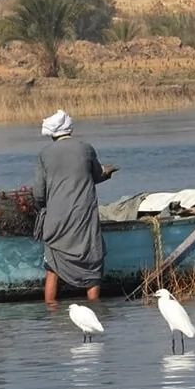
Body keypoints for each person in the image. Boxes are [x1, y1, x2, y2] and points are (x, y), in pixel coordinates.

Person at [32, 109, 119, 304]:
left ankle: (51, 310)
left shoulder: (45, 154)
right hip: (83, 217)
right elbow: (97, 175)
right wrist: (108, 172)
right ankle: (94, 308)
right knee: (92, 265)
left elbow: (38, 193)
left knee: (52, 268)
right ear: (69, 129)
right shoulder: (85, 149)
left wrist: (42, 208)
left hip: (56, 220)